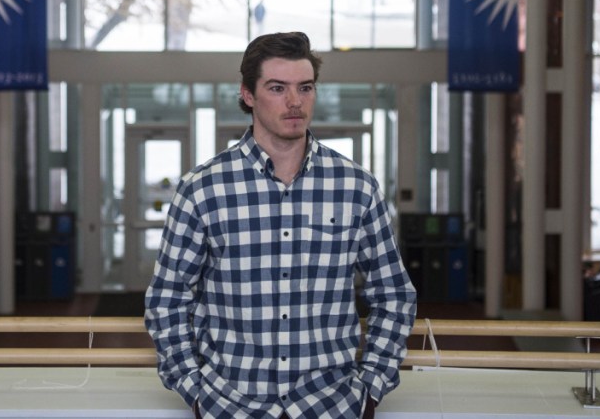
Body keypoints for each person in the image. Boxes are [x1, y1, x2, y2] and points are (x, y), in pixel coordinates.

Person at [145, 31, 416, 419]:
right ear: (247, 95)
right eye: (277, 88)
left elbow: (393, 295)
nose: (294, 102)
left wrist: (371, 387)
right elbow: (167, 300)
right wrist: (195, 392)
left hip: (333, 406)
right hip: (230, 407)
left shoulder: (356, 187)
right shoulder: (202, 189)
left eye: (305, 88)